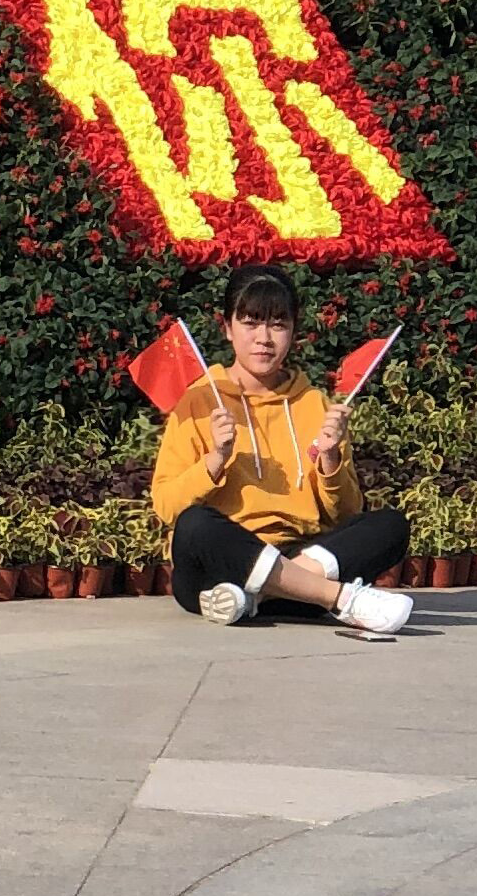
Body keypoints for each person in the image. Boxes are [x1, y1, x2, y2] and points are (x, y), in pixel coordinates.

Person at [147, 266, 418, 638]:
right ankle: (336, 597)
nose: (264, 338)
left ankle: (256, 597)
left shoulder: (314, 404)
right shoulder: (199, 401)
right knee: (195, 526)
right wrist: (215, 460)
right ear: (227, 328)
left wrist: (330, 460)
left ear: (293, 331)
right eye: (250, 323)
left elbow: (346, 514)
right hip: (224, 555)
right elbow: (167, 507)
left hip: (298, 552)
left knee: (390, 526)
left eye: (278, 324)